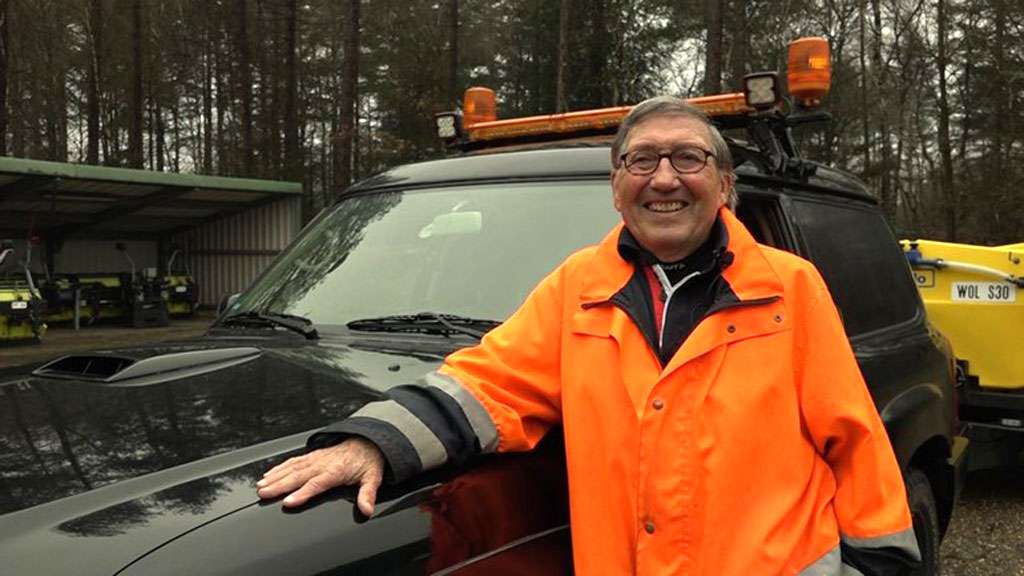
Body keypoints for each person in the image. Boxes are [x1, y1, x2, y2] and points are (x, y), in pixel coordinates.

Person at [258, 96, 921, 575]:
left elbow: (856, 441)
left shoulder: (790, 286)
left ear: (724, 187)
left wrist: (880, 566)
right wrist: (375, 443)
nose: (664, 178)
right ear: (616, 187)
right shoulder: (578, 288)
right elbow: (492, 383)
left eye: (687, 158)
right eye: (641, 161)